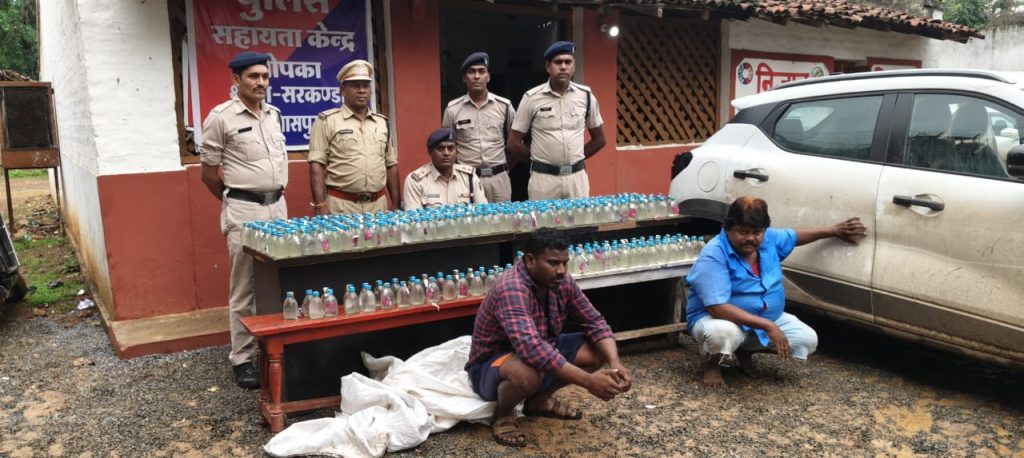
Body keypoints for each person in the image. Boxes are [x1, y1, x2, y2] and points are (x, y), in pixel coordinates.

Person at [466, 228, 633, 447]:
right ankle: (503, 414)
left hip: (542, 347)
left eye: (565, 263)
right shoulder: (512, 287)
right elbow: (531, 349)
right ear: (530, 260)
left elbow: (595, 321)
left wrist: (615, 363)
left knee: (596, 349)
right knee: (525, 373)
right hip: (492, 364)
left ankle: (538, 400)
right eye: (553, 263)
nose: (561, 270)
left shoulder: (562, 282)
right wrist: (588, 381)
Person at [685, 197, 867, 388]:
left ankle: (744, 350)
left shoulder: (769, 239)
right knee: (722, 333)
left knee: (806, 339)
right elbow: (717, 308)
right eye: (743, 232)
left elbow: (794, 237)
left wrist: (834, 230)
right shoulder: (714, 253)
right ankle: (712, 364)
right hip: (717, 319)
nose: (750, 238)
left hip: (761, 317)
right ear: (728, 228)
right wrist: (768, 326)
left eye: (757, 232)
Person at [199, 51, 288, 389]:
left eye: (265, 76)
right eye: (253, 76)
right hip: (244, 211)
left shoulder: (274, 114)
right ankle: (242, 358)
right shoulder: (221, 118)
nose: (261, 82)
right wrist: (234, 200)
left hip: (277, 207)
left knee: (276, 280)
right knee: (245, 286)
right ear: (236, 80)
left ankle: (274, 348)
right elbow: (208, 174)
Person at [508, 41, 606, 200]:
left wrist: (577, 159)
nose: (563, 67)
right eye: (558, 62)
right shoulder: (532, 98)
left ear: (574, 66)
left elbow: (600, 139)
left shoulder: (586, 96)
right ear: (548, 66)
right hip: (544, 180)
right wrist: (537, 160)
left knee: (579, 216)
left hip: (576, 178)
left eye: (568, 62)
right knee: (543, 217)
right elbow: (513, 143)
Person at [308, 59, 398, 215]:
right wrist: (320, 205)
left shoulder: (382, 123)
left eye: (366, 86)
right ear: (342, 90)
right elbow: (317, 165)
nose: (362, 90)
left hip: (378, 206)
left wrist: (396, 204)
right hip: (341, 206)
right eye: (355, 86)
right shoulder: (326, 121)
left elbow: (391, 165)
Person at [442, 51, 515, 202]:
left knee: (502, 217)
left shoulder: (504, 106)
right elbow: (447, 145)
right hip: (466, 178)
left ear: (488, 77)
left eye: (481, 71)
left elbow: (515, 143)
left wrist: (504, 168)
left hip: (498, 180)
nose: (476, 76)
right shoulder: (453, 109)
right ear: (464, 78)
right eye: (471, 72)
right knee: (467, 217)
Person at [403, 128, 487, 210]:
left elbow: (484, 212)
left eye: (451, 148)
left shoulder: (469, 177)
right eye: (440, 148)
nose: (446, 153)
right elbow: (413, 217)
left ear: (456, 152)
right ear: (430, 152)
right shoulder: (416, 181)